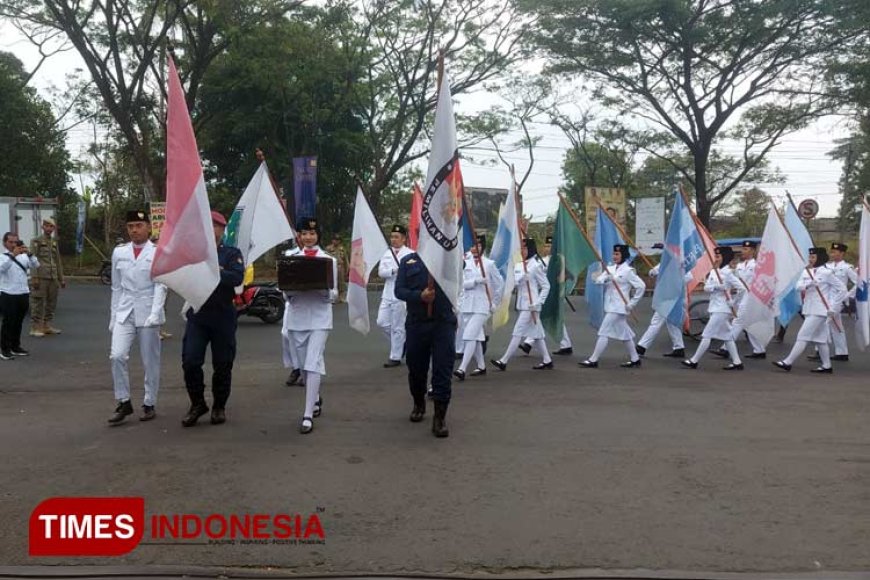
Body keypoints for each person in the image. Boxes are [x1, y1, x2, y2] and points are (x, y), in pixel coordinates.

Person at [181, 211, 245, 427]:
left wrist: (216, 271)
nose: (211, 230)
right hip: (199, 314)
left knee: (223, 364)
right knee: (190, 361)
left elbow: (236, 277)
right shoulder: (193, 254)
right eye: (206, 226)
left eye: (215, 226)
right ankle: (197, 403)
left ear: (222, 229)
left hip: (222, 315)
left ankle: (219, 405)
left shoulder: (230, 253)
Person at [107, 210, 168, 424]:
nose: (134, 230)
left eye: (139, 225)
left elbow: (161, 284)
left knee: (150, 360)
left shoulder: (158, 251)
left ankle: (149, 402)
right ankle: (123, 401)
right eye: (131, 226)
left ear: (149, 227)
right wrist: (113, 317)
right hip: (125, 310)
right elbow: (116, 287)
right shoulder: (120, 252)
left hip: (148, 308)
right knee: (117, 355)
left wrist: (155, 313)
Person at [282, 218, 338, 434]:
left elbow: (333, 294)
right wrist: (292, 290)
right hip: (297, 317)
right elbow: (285, 292)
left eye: (312, 234)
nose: (308, 237)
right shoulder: (289, 259)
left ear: (318, 236)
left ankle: (306, 415)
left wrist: (322, 290)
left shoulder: (328, 260)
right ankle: (314, 399)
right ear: (299, 235)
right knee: (304, 364)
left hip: (320, 318)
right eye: (304, 233)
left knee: (313, 362)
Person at [394, 253, 456, 438]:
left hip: (442, 322)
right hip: (417, 322)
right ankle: (419, 402)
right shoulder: (408, 262)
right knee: (416, 369)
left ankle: (439, 417)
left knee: (442, 369)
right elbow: (399, 291)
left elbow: (457, 277)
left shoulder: (450, 260)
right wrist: (419, 296)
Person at [773, 247, 846, 374]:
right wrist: (809, 284)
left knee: (802, 336)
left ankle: (788, 362)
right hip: (809, 308)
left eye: (813, 257)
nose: (810, 260)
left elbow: (842, 289)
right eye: (810, 257)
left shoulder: (827, 273)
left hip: (820, 310)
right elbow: (797, 286)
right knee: (820, 339)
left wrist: (834, 307)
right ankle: (827, 365)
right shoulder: (806, 272)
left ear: (820, 258)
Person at [578, 244, 646, 368]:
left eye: (617, 254)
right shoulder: (610, 268)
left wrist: (632, 303)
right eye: (614, 254)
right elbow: (598, 280)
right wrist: (605, 279)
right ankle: (635, 359)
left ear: (624, 255)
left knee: (603, 331)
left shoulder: (628, 271)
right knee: (625, 333)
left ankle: (593, 360)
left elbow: (641, 286)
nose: (614, 256)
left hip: (620, 306)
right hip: (610, 305)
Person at [491, 237, 553, 371]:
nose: (523, 251)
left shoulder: (536, 266)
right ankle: (547, 360)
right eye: (521, 248)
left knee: (517, 332)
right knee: (537, 333)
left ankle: (504, 360)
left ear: (530, 249)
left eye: (525, 248)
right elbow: (514, 284)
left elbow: (546, 286)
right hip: (522, 303)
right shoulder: (519, 265)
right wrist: (520, 279)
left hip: (532, 305)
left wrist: (539, 302)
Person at [681, 246, 744, 370]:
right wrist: (716, 287)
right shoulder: (714, 271)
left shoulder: (728, 273)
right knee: (727, 336)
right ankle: (737, 362)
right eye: (715, 256)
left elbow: (742, 288)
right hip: (714, 307)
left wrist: (733, 301)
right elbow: (706, 288)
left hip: (723, 308)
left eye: (718, 256)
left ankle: (694, 360)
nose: (716, 258)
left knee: (706, 335)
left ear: (725, 258)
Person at [455, 234, 503, 380]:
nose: (475, 248)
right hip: (467, 304)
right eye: (473, 245)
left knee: (469, 335)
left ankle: (462, 368)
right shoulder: (465, 262)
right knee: (475, 337)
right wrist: (475, 281)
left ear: (483, 247)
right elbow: (461, 283)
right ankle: (481, 366)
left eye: (478, 245)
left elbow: (499, 285)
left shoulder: (489, 264)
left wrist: (495, 302)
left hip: (483, 305)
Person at [521, 235, 574, 356]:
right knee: (552, 318)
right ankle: (566, 345)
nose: (548, 248)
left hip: (555, 293)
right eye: (546, 245)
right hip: (544, 294)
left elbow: (569, 275)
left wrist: (560, 277)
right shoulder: (542, 261)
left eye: (550, 246)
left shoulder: (560, 260)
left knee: (545, 317)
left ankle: (529, 342)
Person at [716, 241, 766, 359]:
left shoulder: (756, 266)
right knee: (748, 324)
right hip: (740, 297)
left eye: (746, 249)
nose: (743, 251)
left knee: (737, 322)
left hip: (751, 298)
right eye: (743, 249)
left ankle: (725, 348)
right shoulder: (739, 266)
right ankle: (759, 350)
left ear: (753, 251)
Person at [636, 256, 689, 358]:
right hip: (665, 297)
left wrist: (670, 276)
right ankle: (679, 348)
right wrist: (654, 272)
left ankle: (641, 347)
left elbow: (689, 277)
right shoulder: (666, 262)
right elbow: (653, 272)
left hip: (675, 298)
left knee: (656, 322)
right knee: (671, 323)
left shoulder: (681, 263)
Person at [377, 225, 413, 367]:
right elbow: (381, 272)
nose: (393, 239)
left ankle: (395, 357)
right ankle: (400, 344)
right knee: (382, 322)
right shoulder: (387, 253)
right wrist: (393, 270)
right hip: (388, 292)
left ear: (404, 239)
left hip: (402, 293)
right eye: (392, 237)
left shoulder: (410, 254)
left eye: (397, 237)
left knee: (398, 326)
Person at [1, 233, 39, 360]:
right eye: (10, 242)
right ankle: (4, 349)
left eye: (15, 242)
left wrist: (30, 254)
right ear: (5, 243)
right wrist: (13, 255)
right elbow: (1, 268)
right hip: (8, 294)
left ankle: (15, 346)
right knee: (8, 322)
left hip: (23, 292)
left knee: (18, 322)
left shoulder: (23, 256)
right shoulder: (2, 256)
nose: (13, 244)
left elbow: (36, 265)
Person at [29, 217, 65, 337]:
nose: (49, 228)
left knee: (51, 302)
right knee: (38, 301)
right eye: (47, 226)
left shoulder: (54, 242)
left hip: (53, 277)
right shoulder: (36, 241)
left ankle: (46, 325)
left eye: (51, 227)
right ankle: (35, 327)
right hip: (41, 276)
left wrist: (61, 278)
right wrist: (34, 277)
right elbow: (32, 259)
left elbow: (57, 261)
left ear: (53, 228)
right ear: (42, 227)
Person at [825, 242, 857, 361]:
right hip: (827, 299)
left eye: (835, 252)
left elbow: (858, 283)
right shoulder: (827, 266)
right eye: (831, 251)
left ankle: (820, 351)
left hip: (838, 300)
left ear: (842, 253)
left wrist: (847, 296)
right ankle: (842, 352)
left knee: (824, 322)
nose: (832, 254)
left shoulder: (847, 268)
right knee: (836, 326)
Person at [326, 234, 348, 303]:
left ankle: (341, 297)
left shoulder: (342, 248)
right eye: (335, 240)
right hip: (332, 267)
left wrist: (348, 267)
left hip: (340, 267)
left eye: (338, 240)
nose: (336, 241)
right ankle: (333, 297)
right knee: (332, 282)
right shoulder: (328, 248)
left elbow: (346, 259)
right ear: (332, 240)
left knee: (341, 282)